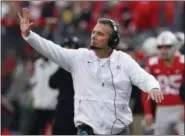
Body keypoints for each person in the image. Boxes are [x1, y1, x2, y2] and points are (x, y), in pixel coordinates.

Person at [18, 8, 163, 135]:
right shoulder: (79, 57)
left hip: (118, 131)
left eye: (100, 34)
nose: (94, 36)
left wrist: (153, 86)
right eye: (93, 32)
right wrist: (29, 35)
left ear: (112, 40)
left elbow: (142, 76)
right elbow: (51, 49)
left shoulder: (124, 60)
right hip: (87, 130)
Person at [142, 31, 184, 135]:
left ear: (174, 47)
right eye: (160, 47)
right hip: (162, 109)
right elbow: (146, 90)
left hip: (181, 107)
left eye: (167, 47)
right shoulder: (152, 63)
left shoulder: (183, 61)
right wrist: (148, 112)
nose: (163, 50)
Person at [49, 37, 79, 135]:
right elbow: (52, 83)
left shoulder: (66, 67)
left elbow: (52, 83)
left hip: (67, 109)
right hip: (78, 109)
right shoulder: (82, 65)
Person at [28, 56, 59, 134]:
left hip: (52, 104)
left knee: (52, 130)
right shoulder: (37, 63)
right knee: (34, 129)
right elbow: (33, 80)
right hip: (39, 104)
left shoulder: (57, 64)